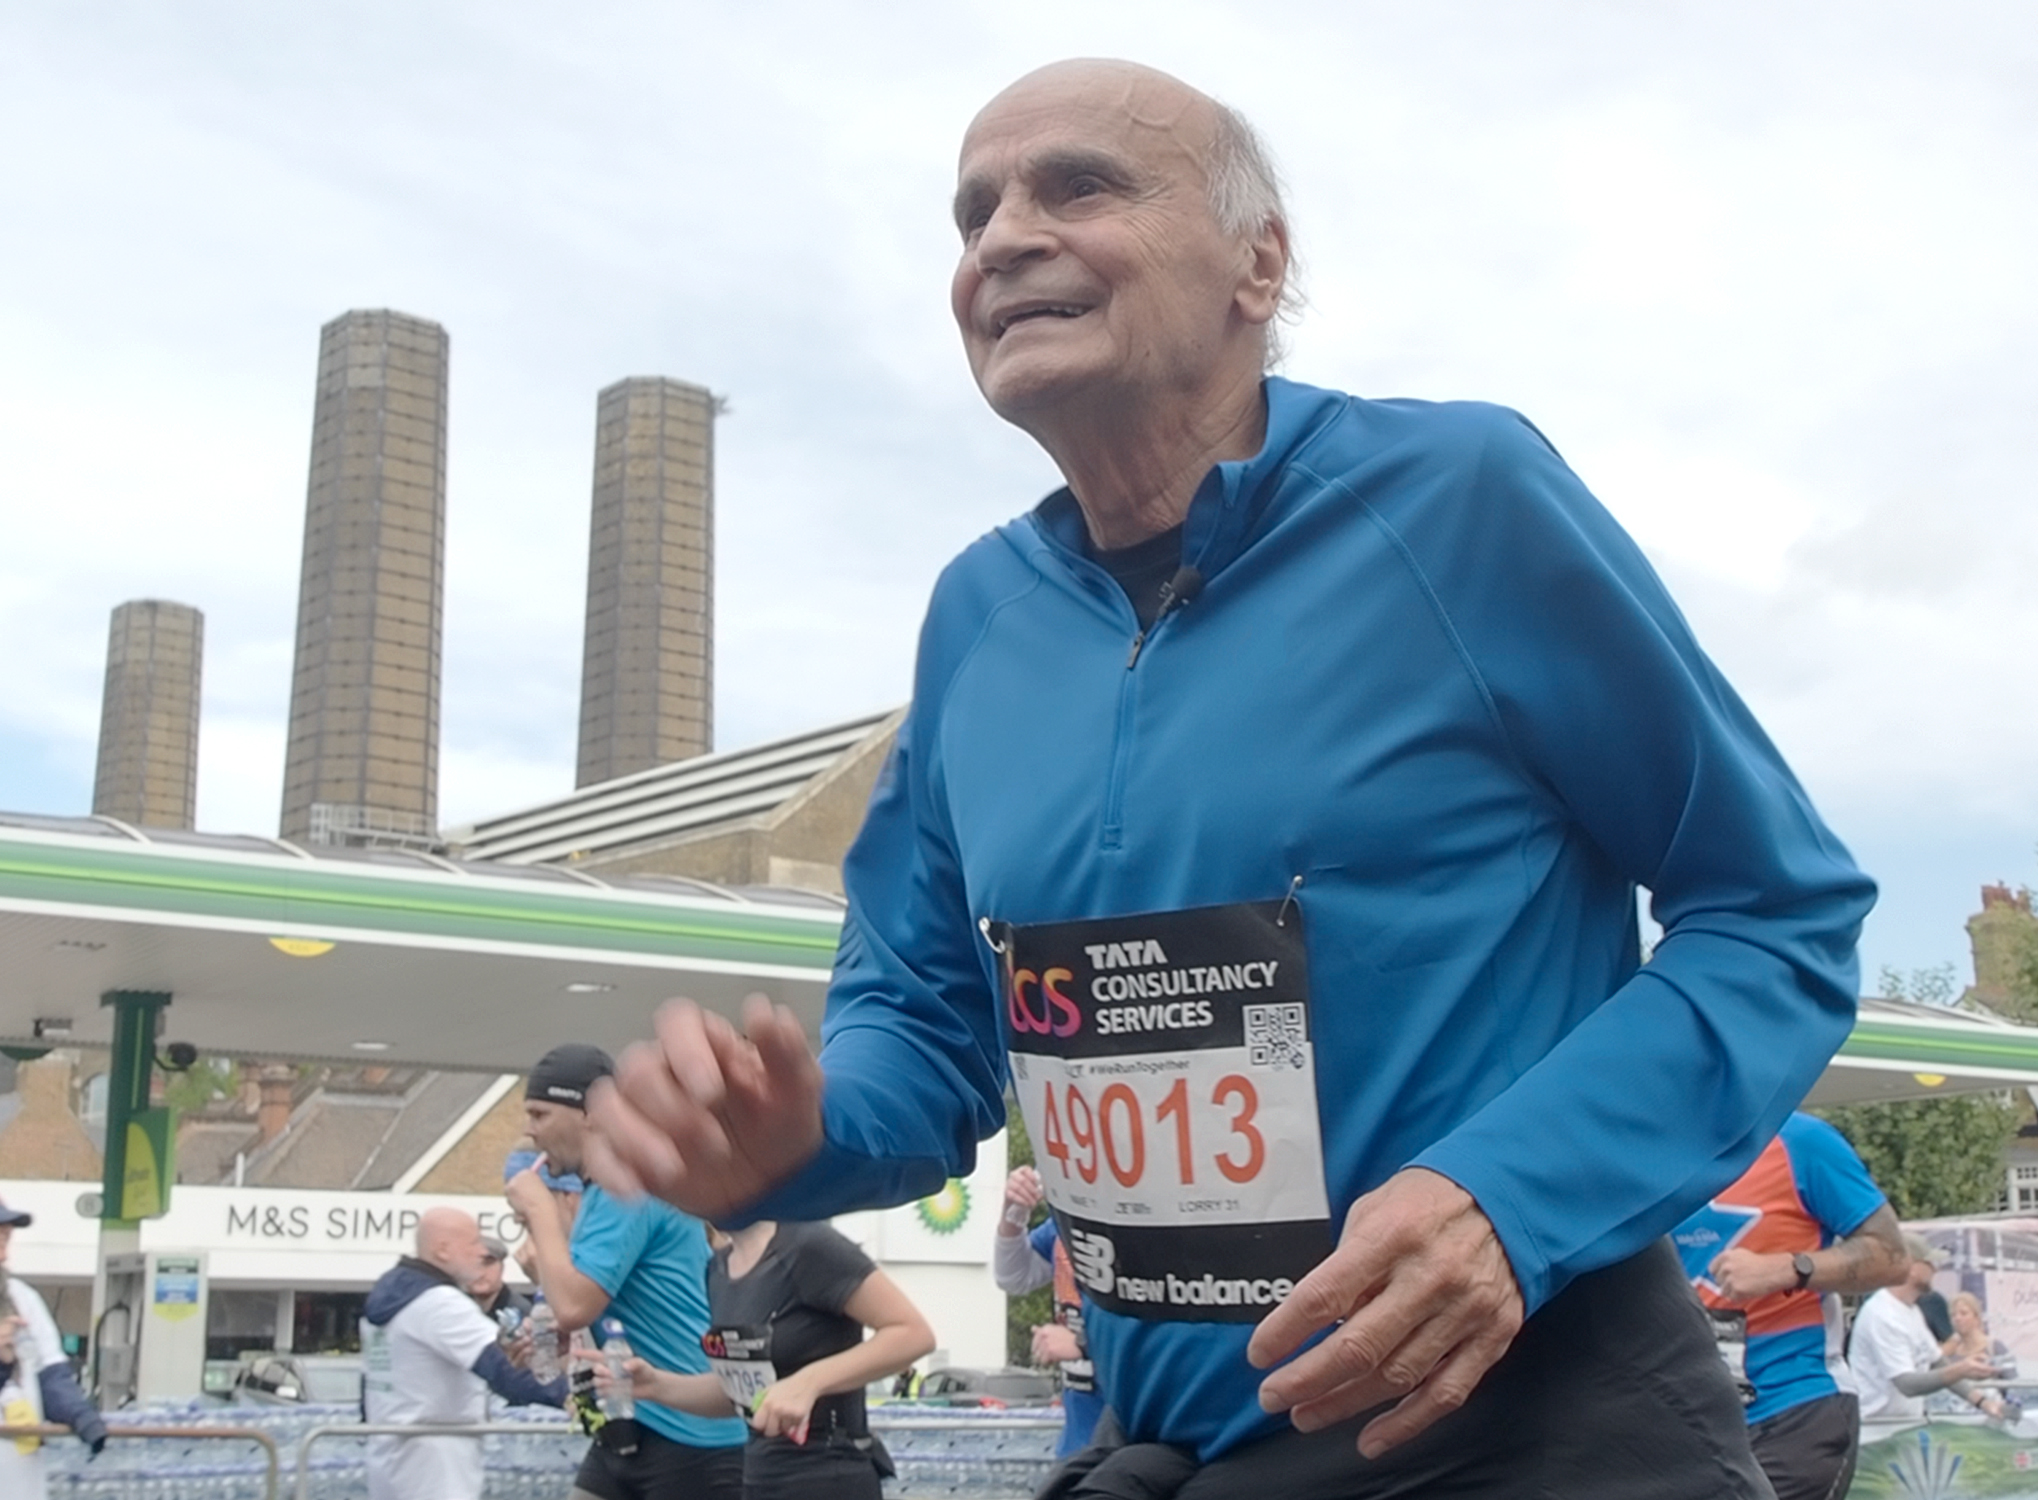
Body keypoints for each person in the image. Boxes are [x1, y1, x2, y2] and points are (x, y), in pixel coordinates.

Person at [585, 57, 1877, 1498]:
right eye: (972, 214)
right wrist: (796, 1135)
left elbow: (1777, 915)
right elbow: (923, 1021)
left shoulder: (1460, 500)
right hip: (1172, 1454)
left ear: (1258, 265)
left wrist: (1506, 1201)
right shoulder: (977, 620)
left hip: (1530, 1440)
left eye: (1079, 186)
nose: (1002, 238)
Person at [505, 1043, 745, 1500]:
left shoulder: (628, 1189)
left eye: (540, 1115)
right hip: (630, 1419)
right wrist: (556, 1335)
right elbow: (591, 1309)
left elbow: (574, 1305)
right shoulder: (603, 1193)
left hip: (691, 1437)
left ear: (591, 1114)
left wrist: (539, 1210)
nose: (529, 1130)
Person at [601, 1218, 933, 1499]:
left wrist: (810, 1381)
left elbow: (913, 1333)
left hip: (830, 1475)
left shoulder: (808, 1246)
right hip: (760, 1477)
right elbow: (743, 1396)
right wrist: (656, 1386)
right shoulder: (717, 1269)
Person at [1673, 1111, 1906, 1500]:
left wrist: (1789, 1268)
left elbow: (1893, 1257)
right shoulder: (1647, 1150)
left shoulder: (1799, 1140)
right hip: (1690, 1419)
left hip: (1793, 1405)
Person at [359, 1206, 566, 1500]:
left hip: (389, 1458)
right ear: (442, 1250)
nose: (482, 1251)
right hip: (436, 1466)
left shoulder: (386, 1301)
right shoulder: (441, 1304)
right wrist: (575, 1395)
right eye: (473, 1242)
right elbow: (504, 1366)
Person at [993, 1167, 1105, 1458]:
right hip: (1078, 1442)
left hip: (1130, 1446)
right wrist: (1014, 1213)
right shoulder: (1067, 1218)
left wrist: (1084, 1345)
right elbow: (1014, 1276)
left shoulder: (1145, 1222)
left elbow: (1172, 1329)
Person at [0, 1197, 104, 1500]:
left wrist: (80, 1414)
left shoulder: (23, 1298)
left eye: (5, 1238)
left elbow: (51, 1374)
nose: (3, 1252)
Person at [1850, 1234, 2005, 1422]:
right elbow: (1907, 1384)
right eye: (1930, 1263)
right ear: (1911, 1267)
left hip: (1904, 1425)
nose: (1935, 1269)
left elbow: (1937, 1362)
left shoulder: (1912, 1310)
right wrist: (1961, 1369)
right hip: (1876, 1427)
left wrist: (1983, 1403)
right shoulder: (1882, 1315)